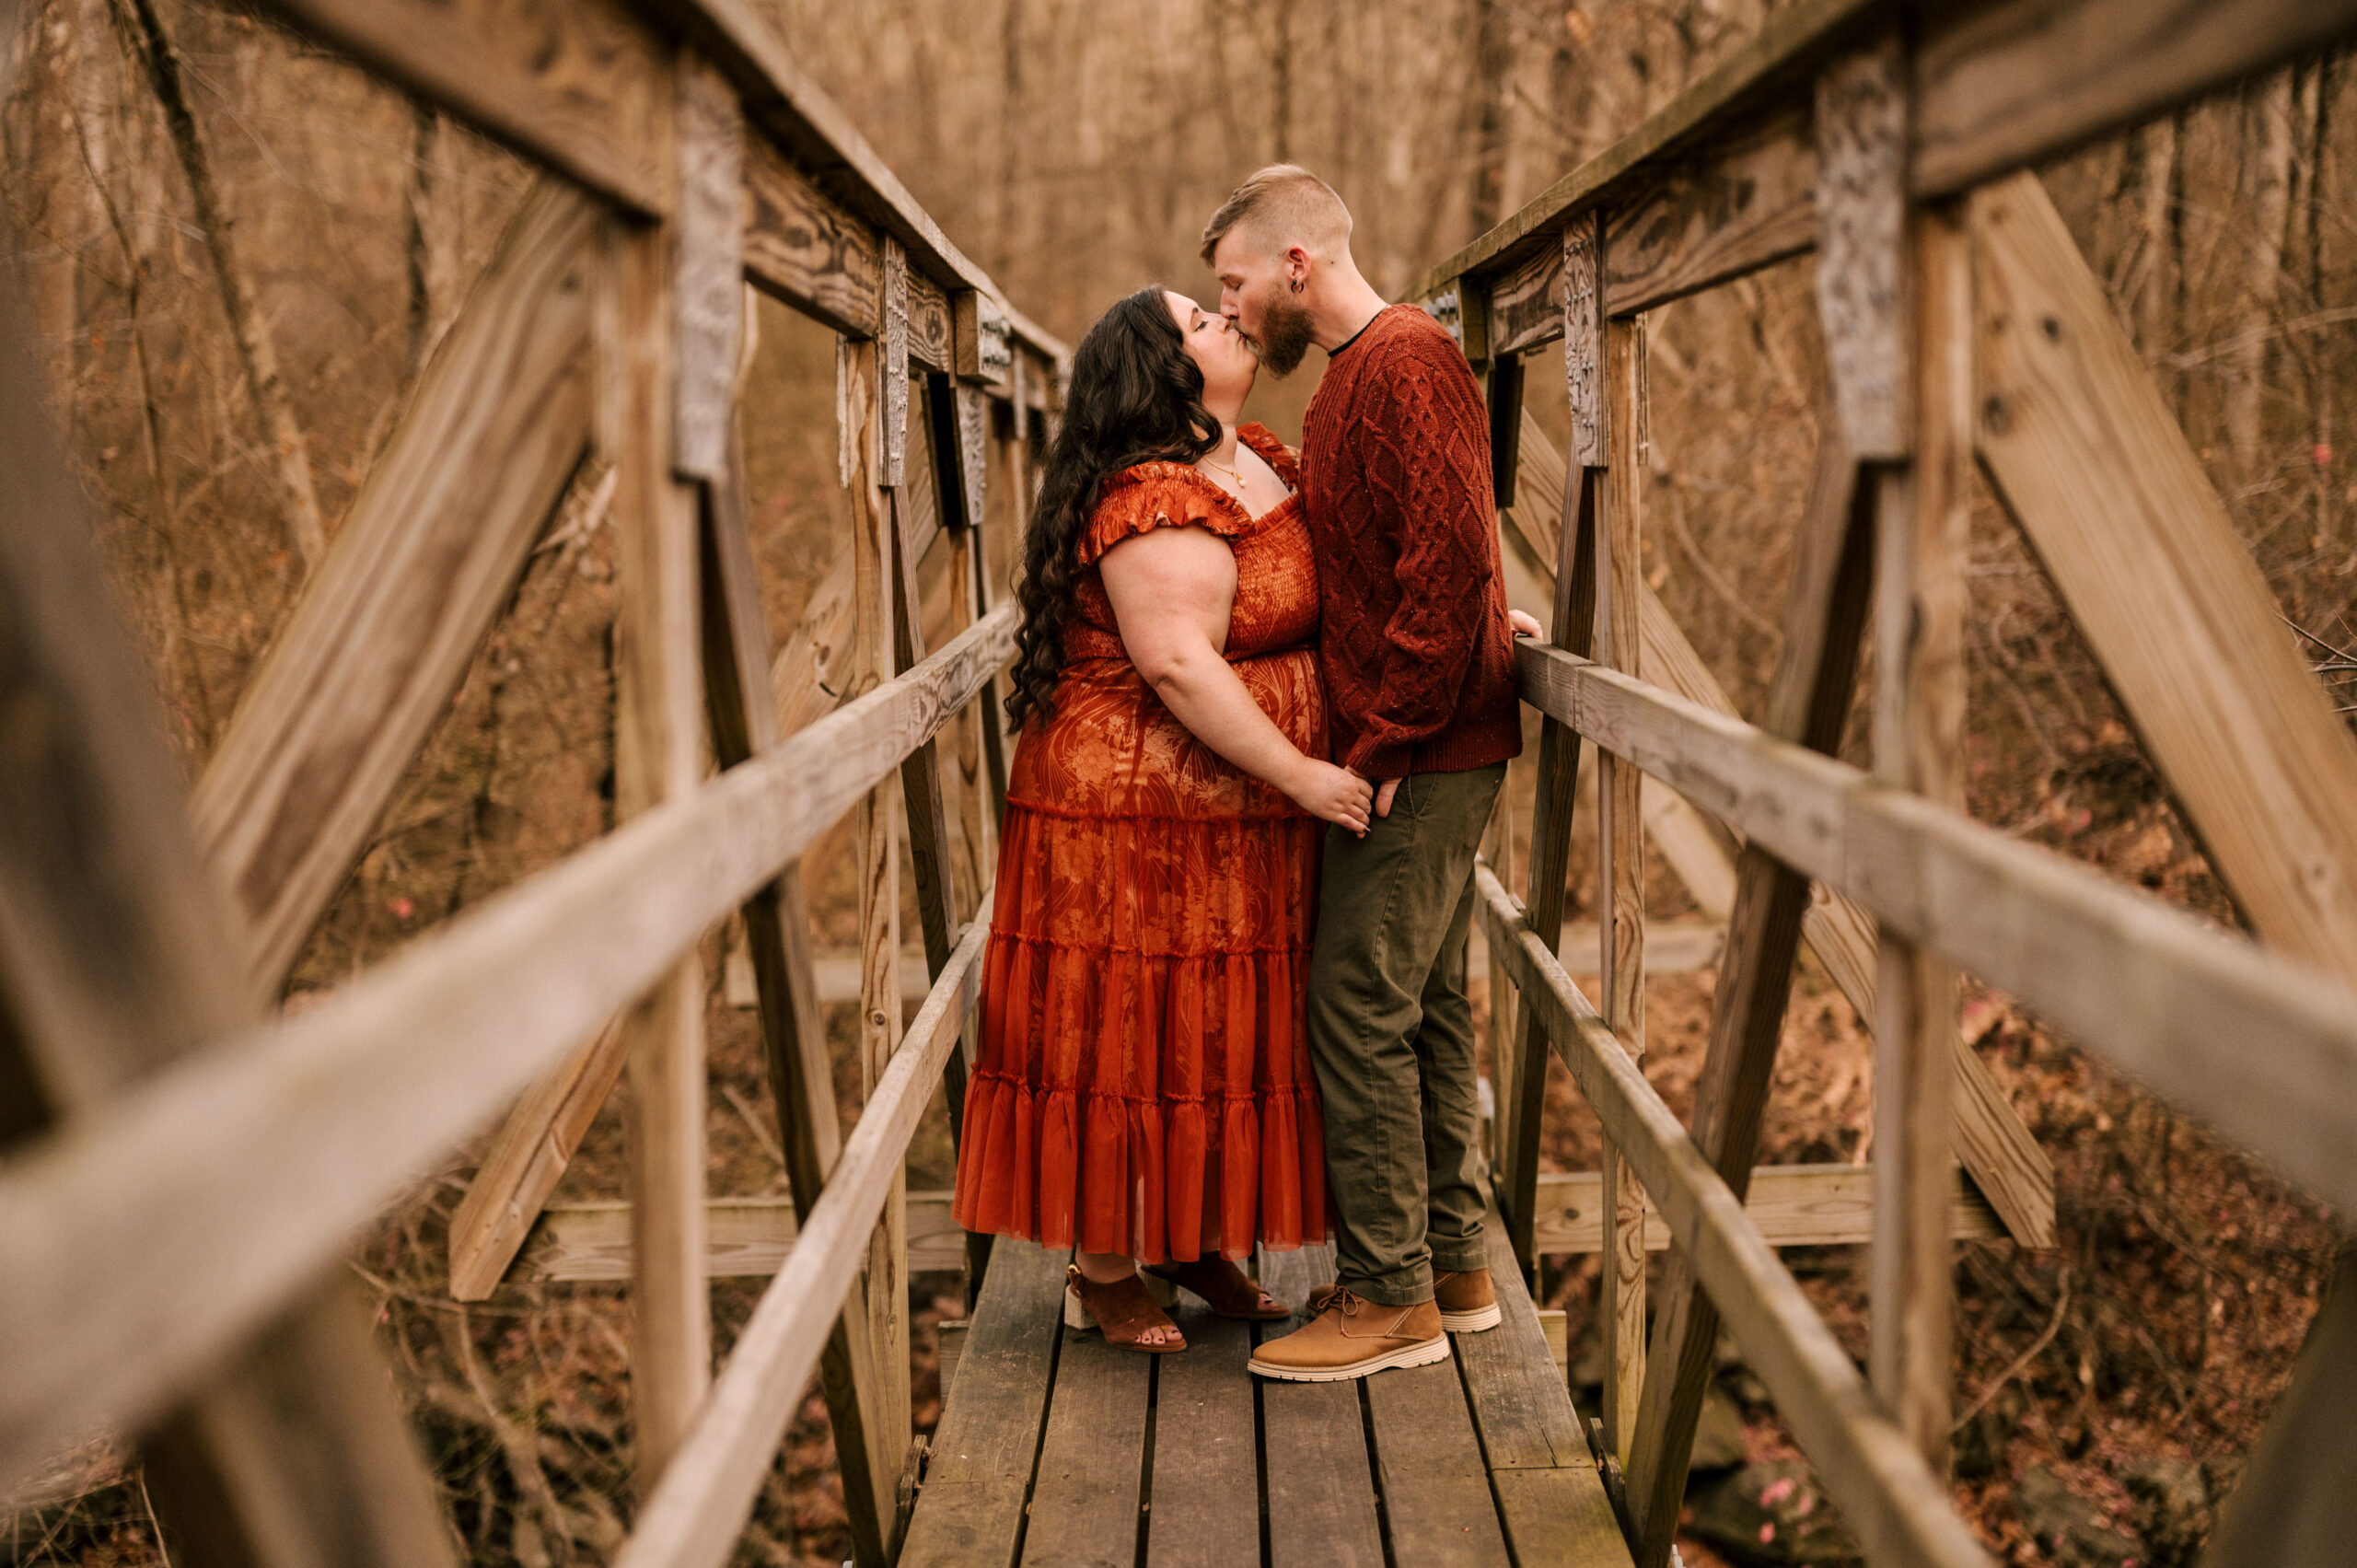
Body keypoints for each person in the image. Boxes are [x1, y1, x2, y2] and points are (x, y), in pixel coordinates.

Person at [951, 285, 1371, 1353]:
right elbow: (1180, 664)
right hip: (1128, 812)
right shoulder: (1154, 495)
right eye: (1197, 318)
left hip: (1227, 816)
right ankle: (1101, 1264)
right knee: (1126, 1023)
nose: (1227, 319)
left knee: (1219, 1020)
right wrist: (1303, 773)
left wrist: (1466, 623)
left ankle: (1188, 1234)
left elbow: (1344, 583)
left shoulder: (1260, 460)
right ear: (1158, 371)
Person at [1205, 166, 1527, 1382]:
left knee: (1353, 1000)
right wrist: (1494, 613)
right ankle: (1450, 1262)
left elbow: (1449, 557)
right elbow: (1425, 553)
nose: (1232, 311)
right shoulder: (1354, 382)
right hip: (1426, 728)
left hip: (1423, 744)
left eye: (1236, 282)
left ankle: (1389, 1296)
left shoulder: (1409, 358)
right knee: (1426, 1000)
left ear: (1298, 263)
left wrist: (1381, 742)